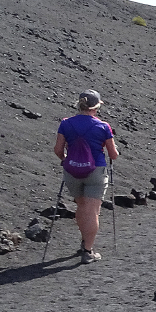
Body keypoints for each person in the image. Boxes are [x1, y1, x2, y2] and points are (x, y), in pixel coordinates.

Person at [53, 89, 118, 264]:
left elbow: (58, 150)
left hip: (72, 171)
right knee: (91, 211)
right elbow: (113, 155)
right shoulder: (103, 126)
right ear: (96, 107)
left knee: (82, 207)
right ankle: (87, 250)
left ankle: (84, 241)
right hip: (95, 171)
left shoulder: (66, 124)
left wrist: (66, 160)